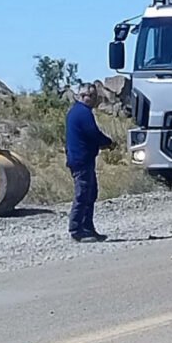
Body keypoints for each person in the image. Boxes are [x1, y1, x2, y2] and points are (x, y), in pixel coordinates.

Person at [65, 83, 114, 242]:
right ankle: (76, 230)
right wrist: (108, 142)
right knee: (83, 194)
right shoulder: (82, 113)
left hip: (82, 159)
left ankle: (88, 228)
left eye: (94, 96)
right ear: (81, 96)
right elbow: (92, 133)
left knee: (90, 194)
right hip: (81, 160)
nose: (92, 99)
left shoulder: (77, 112)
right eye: (89, 95)